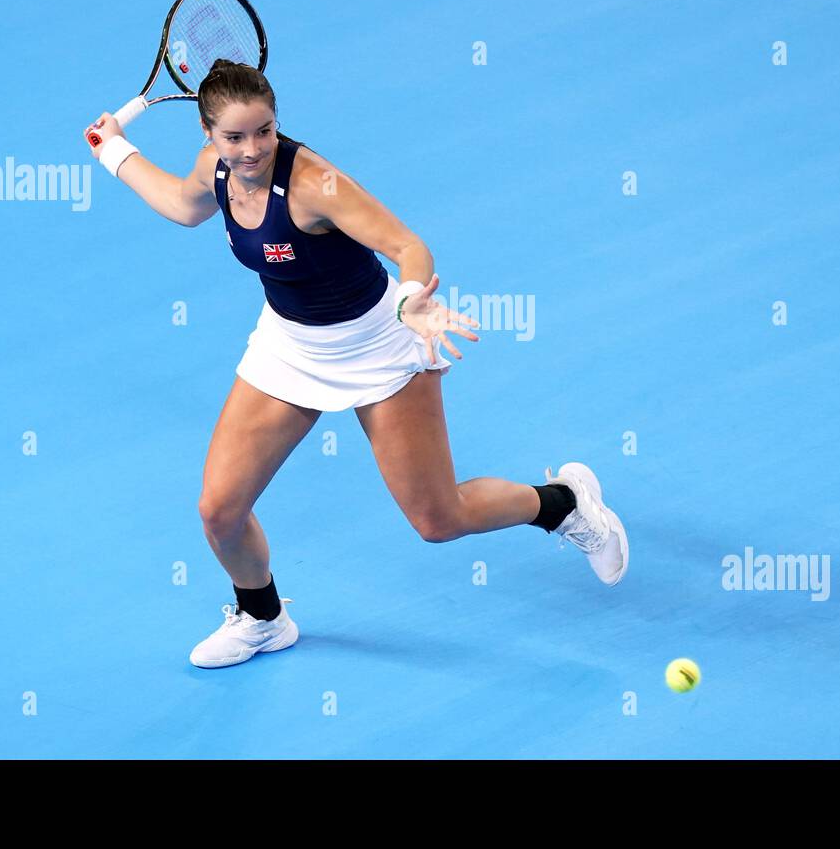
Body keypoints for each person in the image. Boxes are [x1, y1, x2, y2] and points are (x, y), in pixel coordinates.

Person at [84, 59, 628, 669]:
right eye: (234, 137)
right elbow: (184, 206)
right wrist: (114, 151)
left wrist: (415, 301)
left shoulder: (315, 184)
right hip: (290, 347)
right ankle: (263, 618)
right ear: (208, 136)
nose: (253, 149)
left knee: (438, 519)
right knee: (219, 510)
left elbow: (406, 246)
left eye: (264, 130)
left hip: (379, 342)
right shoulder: (216, 169)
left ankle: (563, 504)